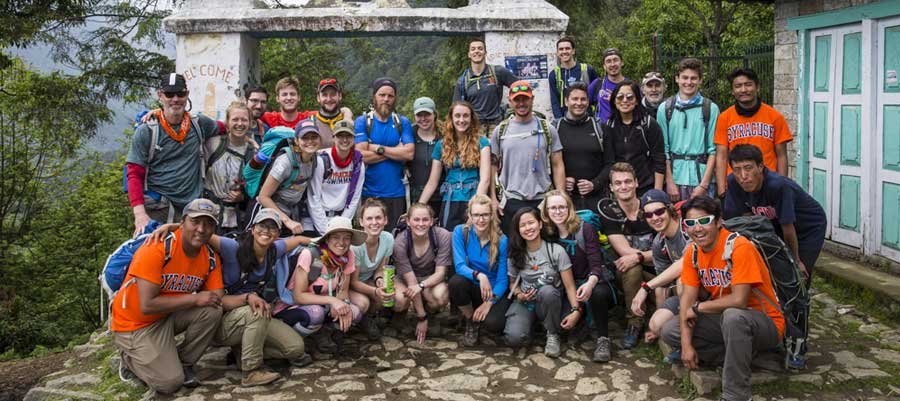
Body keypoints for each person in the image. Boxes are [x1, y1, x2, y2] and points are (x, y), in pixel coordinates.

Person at [147, 208, 312, 386]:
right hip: (222, 316)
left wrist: (320, 242)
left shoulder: (274, 249)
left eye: (272, 228)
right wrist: (171, 227)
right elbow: (201, 234)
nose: (267, 231)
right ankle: (251, 371)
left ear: (278, 233)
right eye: (262, 225)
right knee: (257, 311)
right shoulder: (232, 247)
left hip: (249, 315)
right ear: (253, 228)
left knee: (295, 348)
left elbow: (297, 240)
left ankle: (242, 349)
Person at [661, 196, 784, 401]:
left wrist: (699, 308)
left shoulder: (739, 247)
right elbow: (686, 301)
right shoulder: (692, 252)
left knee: (733, 316)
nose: (697, 229)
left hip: (764, 322)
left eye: (704, 221)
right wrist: (686, 346)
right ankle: (746, 355)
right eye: (690, 223)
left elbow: (739, 301)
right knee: (670, 330)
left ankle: (736, 394)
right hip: (725, 320)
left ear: (718, 222)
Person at [111, 199, 223, 394]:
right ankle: (129, 359)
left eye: (208, 223)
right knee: (169, 383)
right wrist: (195, 299)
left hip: (167, 316)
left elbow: (216, 297)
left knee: (212, 309)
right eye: (195, 221)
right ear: (183, 222)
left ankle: (184, 362)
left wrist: (248, 299)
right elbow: (147, 304)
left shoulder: (210, 257)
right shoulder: (157, 247)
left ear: (214, 228)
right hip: (134, 324)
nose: (201, 229)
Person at [126, 73, 220, 236]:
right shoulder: (147, 131)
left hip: (192, 211)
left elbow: (230, 126)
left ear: (187, 94)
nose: (175, 99)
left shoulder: (199, 124)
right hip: (158, 209)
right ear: (160, 95)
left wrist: (258, 122)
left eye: (180, 94)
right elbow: (134, 173)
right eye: (169, 94)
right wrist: (139, 215)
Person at [724, 144, 826, 281]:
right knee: (770, 265)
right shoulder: (733, 182)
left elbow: (788, 227)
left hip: (807, 227)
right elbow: (747, 222)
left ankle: (800, 300)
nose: (743, 176)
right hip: (774, 223)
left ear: (760, 167)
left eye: (748, 168)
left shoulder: (777, 186)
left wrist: (795, 261)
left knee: (796, 273)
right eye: (737, 170)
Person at [540, 190, 616, 362]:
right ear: (546, 212)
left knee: (598, 293)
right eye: (552, 208)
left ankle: (603, 338)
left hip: (589, 280)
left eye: (562, 207)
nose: (557, 212)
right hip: (565, 286)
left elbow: (596, 264)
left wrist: (590, 283)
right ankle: (578, 322)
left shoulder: (584, 229)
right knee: (564, 323)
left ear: (569, 209)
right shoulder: (547, 234)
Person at [279, 216, 368, 354]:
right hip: (294, 306)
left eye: (346, 238)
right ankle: (299, 339)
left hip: (324, 304)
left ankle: (328, 333)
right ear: (327, 239)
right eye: (336, 237)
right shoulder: (311, 255)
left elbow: (343, 290)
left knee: (354, 312)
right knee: (316, 314)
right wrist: (333, 301)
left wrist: (342, 304)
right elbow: (298, 296)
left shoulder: (348, 256)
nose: (341, 243)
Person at [490, 80, 566, 233]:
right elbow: (492, 167)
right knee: (514, 248)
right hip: (510, 200)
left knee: (546, 246)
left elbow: (558, 164)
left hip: (543, 200)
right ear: (510, 102)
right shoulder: (500, 131)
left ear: (532, 99)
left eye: (525, 98)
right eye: (517, 100)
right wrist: (492, 198)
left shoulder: (547, 128)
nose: (521, 103)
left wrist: (561, 195)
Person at [504, 208, 579, 357]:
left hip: (551, 300)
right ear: (518, 230)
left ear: (539, 224)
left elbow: (570, 287)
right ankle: (533, 326)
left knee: (547, 291)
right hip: (526, 303)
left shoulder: (556, 251)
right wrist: (519, 295)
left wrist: (576, 310)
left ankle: (552, 334)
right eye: (522, 225)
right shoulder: (515, 254)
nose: (528, 228)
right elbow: (512, 283)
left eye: (531, 223)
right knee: (514, 338)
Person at [599, 162, 656, 349]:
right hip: (624, 273)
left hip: (657, 270)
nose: (623, 187)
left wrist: (640, 256)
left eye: (627, 182)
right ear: (611, 187)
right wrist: (647, 257)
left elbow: (667, 248)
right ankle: (634, 324)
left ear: (636, 183)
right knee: (633, 268)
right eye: (618, 183)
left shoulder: (651, 209)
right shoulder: (610, 212)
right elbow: (624, 251)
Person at [715, 67, 793, 198]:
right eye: (738, 86)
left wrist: (782, 185)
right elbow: (721, 156)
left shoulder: (775, 117)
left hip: (767, 184)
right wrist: (722, 189)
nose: (743, 90)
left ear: (757, 87)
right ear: (733, 91)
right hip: (736, 184)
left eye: (748, 85)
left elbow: (781, 155)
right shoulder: (724, 118)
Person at [450, 194, 512, 347]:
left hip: (493, 290)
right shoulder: (460, 232)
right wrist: (480, 276)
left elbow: (503, 280)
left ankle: (482, 316)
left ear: (491, 215)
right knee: (455, 282)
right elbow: (459, 266)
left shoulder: (502, 240)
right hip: (472, 285)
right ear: (469, 215)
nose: (481, 219)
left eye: (485, 215)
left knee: (494, 324)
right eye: (476, 215)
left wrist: (489, 303)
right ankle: (471, 320)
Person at [419, 101, 492, 229]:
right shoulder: (441, 145)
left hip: (474, 197)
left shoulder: (482, 143)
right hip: (450, 200)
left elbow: (485, 179)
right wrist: (418, 207)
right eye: (457, 116)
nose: (461, 120)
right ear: (451, 119)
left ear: (471, 118)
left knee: (473, 237)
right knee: (449, 240)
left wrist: (476, 209)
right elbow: (432, 182)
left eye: (465, 116)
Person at [355, 77, 415, 231]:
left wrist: (376, 147)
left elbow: (409, 154)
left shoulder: (402, 122)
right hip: (369, 193)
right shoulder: (363, 122)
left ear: (395, 98)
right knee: (369, 239)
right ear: (374, 96)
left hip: (397, 193)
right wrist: (396, 150)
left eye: (390, 96)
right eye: (382, 95)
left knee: (396, 238)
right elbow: (360, 156)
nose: (386, 99)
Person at [630, 189, 690, 344]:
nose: (655, 218)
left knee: (683, 279)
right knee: (656, 324)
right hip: (685, 295)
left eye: (659, 211)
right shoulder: (659, 243)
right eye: (649, 215)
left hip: (709, 287)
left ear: (669, 209)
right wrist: (658, 319)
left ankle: (686, 340)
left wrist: (645, 287)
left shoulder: (687, 227)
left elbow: (686, 263)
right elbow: (662, 284)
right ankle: (671, 333)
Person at [658, 58, 720, 202]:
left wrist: (704, 185)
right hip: (675, 177)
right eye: (685, 77)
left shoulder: (710, 108)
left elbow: (713, 150)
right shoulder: (665, 108)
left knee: (703, 222)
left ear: (700, 80)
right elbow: (664, 149)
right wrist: (670, 182)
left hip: (701, 178)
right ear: (677, 79)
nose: (689, 82)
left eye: (694, 78)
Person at [392, 203, 452, 344]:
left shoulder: (441, 235)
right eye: (416, 220)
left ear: (431, 221)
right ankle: (400, 314)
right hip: (405, 279)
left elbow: (440, 273)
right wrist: (421, 318)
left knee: (440, 296)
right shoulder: (400, 242)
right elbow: (411, 282)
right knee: (400, 300)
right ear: (408, 221)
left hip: (429, 278)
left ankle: (430, 313)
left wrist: (422, 285)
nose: (421, 224)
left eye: (425, 220)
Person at [349, 199, 408, 339]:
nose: (374, 222)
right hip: (353, 284)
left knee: (400, 299)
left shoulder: (387, 238)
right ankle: (365, 319)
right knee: (365, 303)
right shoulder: (356, 246)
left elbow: (380, 269)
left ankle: (393, 319)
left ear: (385, 220)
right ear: (361, 222)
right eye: (369, 218)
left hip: (370, 279)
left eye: (378, 218)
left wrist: (380, 280)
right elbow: (353, 282)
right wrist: (376, 291)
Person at [257, 119, 321, 235]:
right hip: (270, 213)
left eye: (314, 137)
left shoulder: (315, 159)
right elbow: (263, 197)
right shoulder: (285, 162)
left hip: (291, 211)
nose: (310, 141)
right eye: (305, 138)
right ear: (296, 140)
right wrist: (287, 221)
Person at [602, 80, 666, 196]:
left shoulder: (648, 124)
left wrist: (657, 193)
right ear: (614, 101)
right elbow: (609, 161)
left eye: (630, 97)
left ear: (637, 100)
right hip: (620, 188)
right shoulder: (609, 126)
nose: (625, 101)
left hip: (646, 187)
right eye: (620, 97)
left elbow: (659, 160)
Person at [554, 82, 607, 212]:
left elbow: (610, 162)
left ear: (588, 102)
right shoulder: (555, 128)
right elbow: (550, 164)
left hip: (596, 197)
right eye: (574, 99)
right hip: (566, 198)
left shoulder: (599, 126)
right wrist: (562, 181)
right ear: (566, 102)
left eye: (583, 99)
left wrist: (595, 184)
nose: (579, 103)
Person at [203, 101, 255, 233]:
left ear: (250, 123)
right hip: (210, 216)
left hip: (238, 219)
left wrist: (243, 197)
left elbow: (257, 188)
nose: (240, 124)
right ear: (227, 122)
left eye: (244, 120)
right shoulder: (212, 145)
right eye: (235, 119)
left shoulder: (253, 153)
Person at [308, 119, 365, 236]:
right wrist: (326, 231)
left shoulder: (358, 163)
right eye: (340, 136)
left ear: (354, 138)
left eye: (348, 136)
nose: (344, 140)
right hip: (319, 219)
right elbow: (314, 198)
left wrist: (342, 225)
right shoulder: (321, 160)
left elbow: (354, 198)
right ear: (333, 137)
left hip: (342, 218)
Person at [453, 38, 517, 136]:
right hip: (474, 128)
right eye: (473, 49)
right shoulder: (462, 81)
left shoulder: (497, 72)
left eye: (480, 48)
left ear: (485, 52)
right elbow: (456, 109)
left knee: (497, 152)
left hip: (497, 126)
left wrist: (514, 108)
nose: (477, 51)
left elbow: (519, 87)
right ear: (469, 54)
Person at [549, 36, 599, 119]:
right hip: (566, 120)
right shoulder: (554, 74)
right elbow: (555, 102)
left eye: (567, 48)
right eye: (561, 49)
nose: (564, 51)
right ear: (557, 53)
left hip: (587, 118)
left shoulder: (587, 69)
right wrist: (559, 121)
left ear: (573, 51)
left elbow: (597, 95)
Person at [408, 97, 442, 214]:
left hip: (441, 196)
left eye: (427, 114)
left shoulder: (445, 136)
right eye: (419, 115)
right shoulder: (409, 134)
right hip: (415, 194)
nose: (423, 119)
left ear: (434, 114)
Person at [310, 78, 354, 149]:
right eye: (324, 95)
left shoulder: (350, 121)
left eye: (333, 94)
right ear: (318, 98)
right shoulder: (311, 123)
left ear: (340, 96)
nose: (329, 99)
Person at [588, 48, 628, 123]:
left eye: (615, 60)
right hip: (602, 131)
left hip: (624, 130)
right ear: (604, 66)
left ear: (622, 62)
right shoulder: (597, 84)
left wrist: (617, 101)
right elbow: (583, 103)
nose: (612, 64)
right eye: (608, 61)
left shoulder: (630, 86)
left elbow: (638, 110)